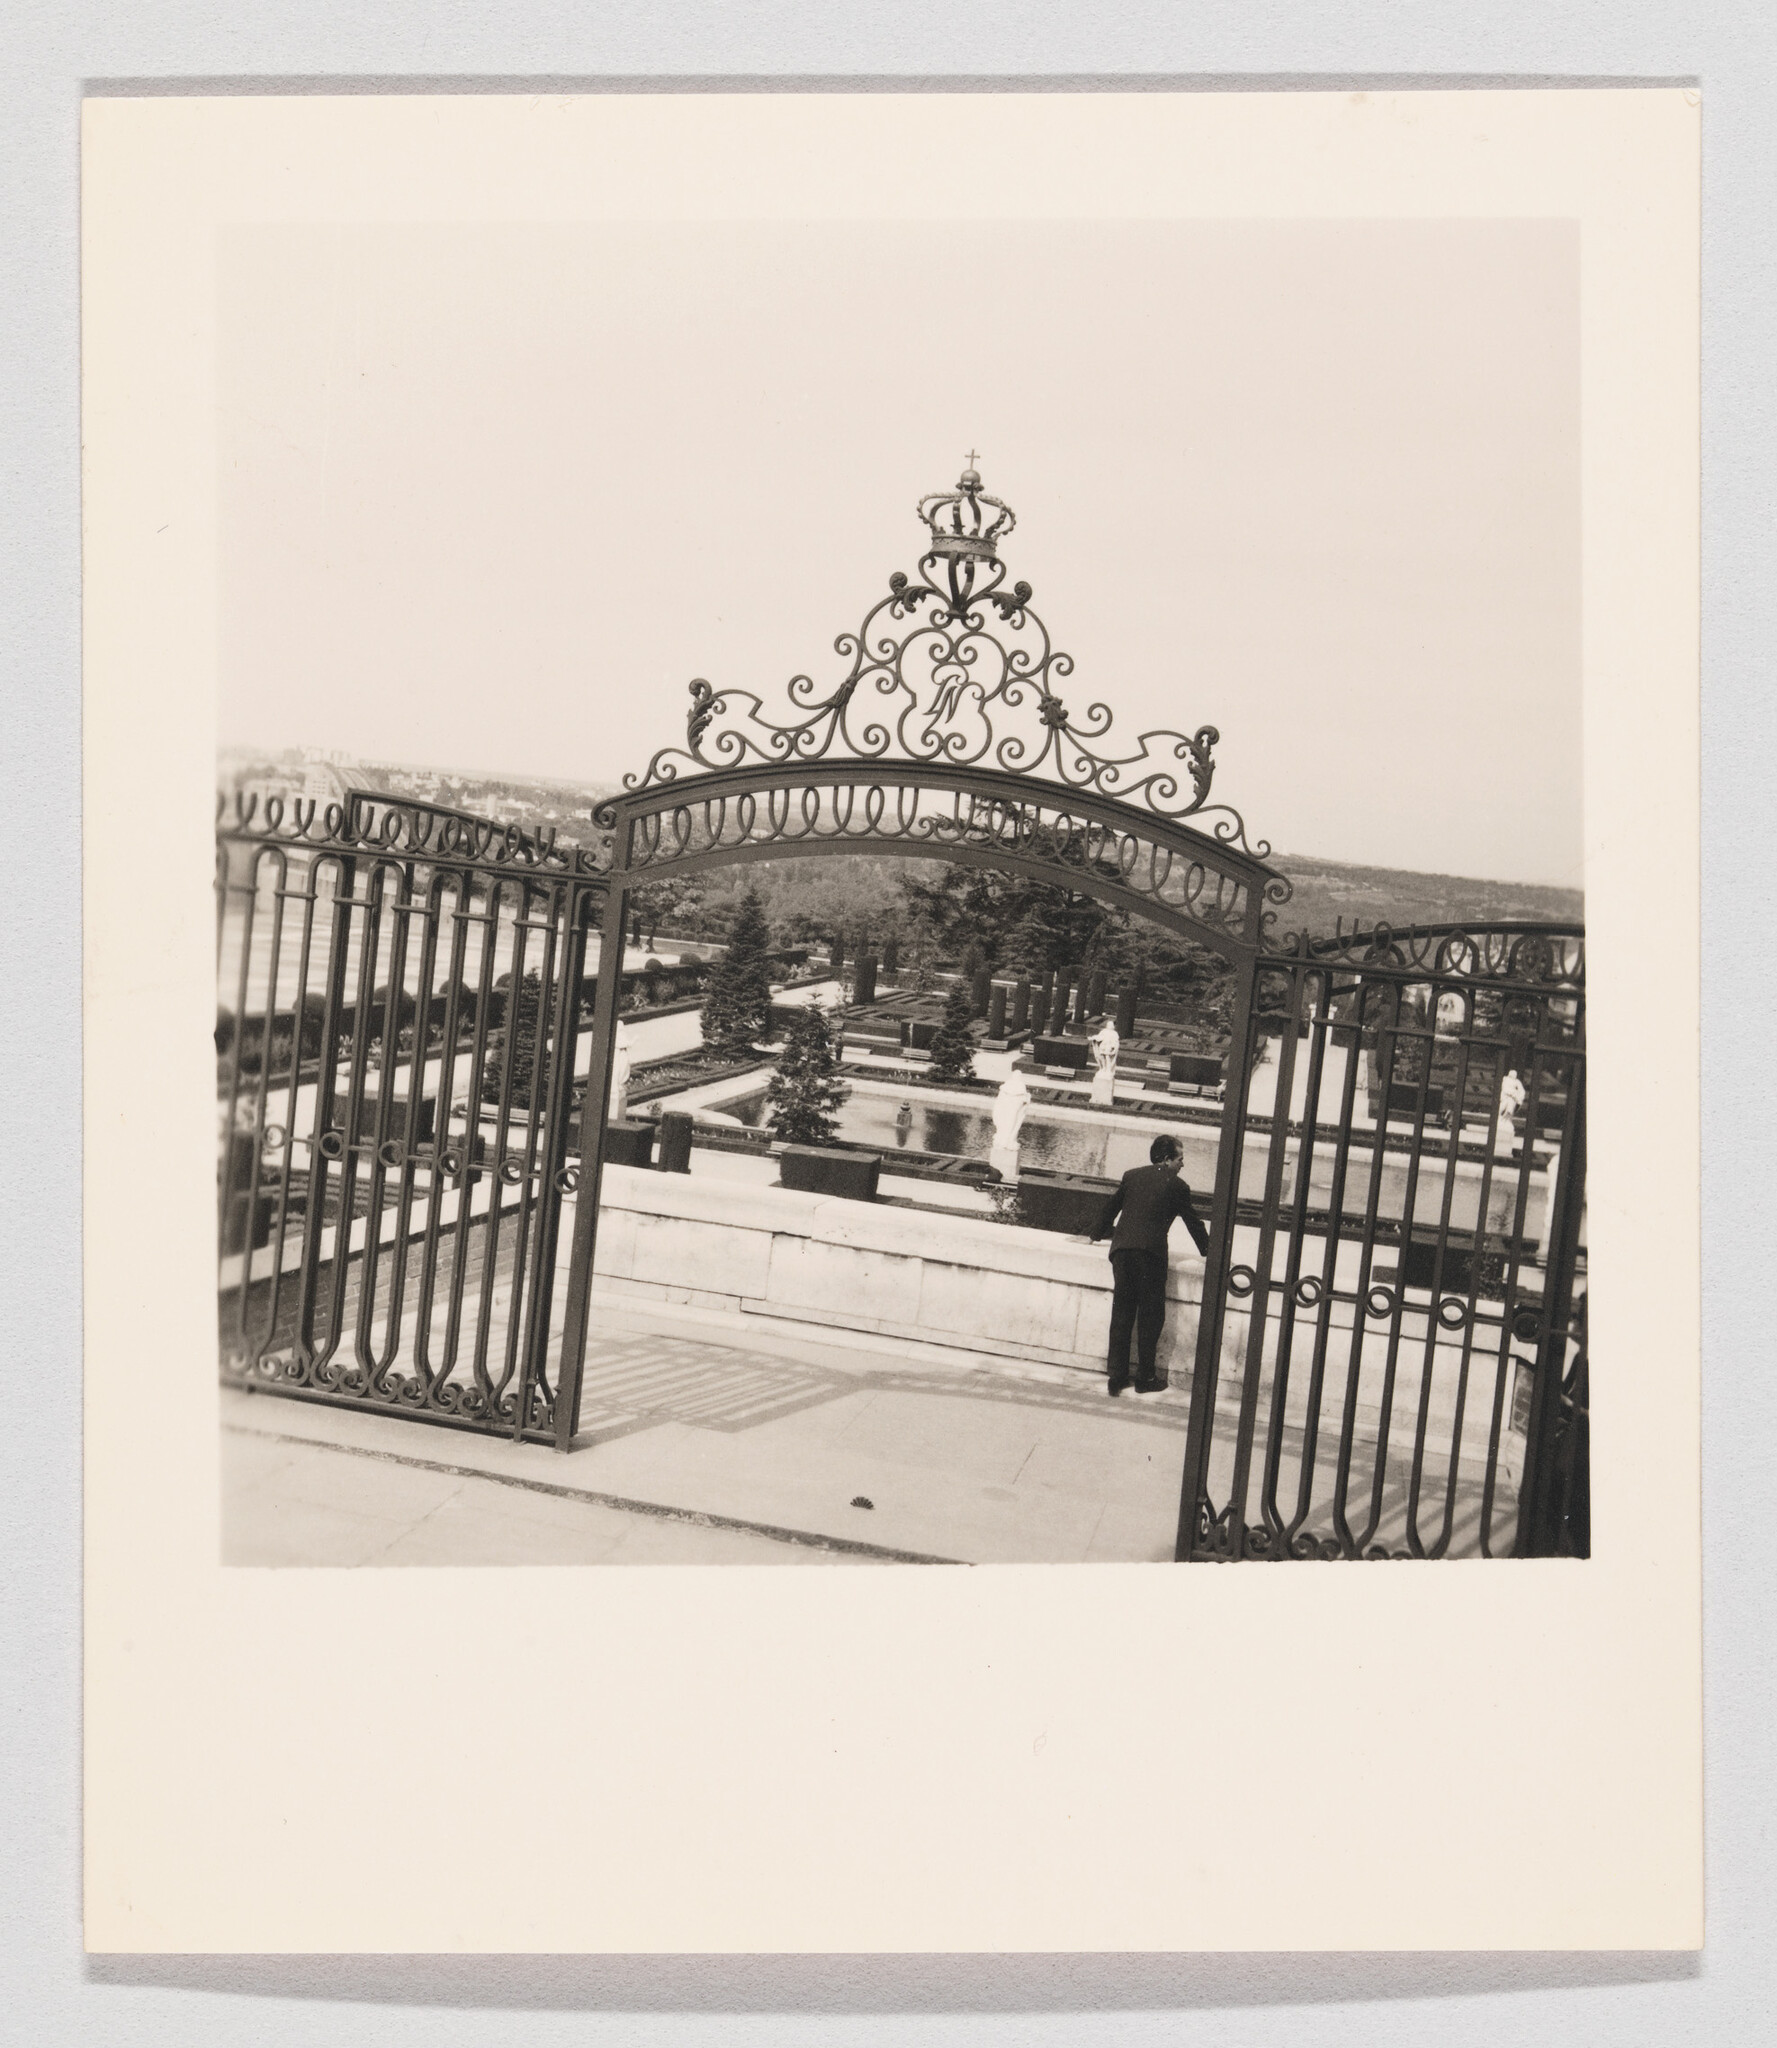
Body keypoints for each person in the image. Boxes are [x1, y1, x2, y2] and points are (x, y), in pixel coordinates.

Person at [1090, 1133, 1210, 1397]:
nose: (1183, 1164)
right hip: (1150, 1256)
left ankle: (1117, 1377)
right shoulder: (1177, 1186)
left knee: (1121, 1313)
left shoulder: (1131, 1175)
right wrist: (1211, 1252)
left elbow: (1111, 1208)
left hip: (1122, 1252)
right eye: (1180, 1158)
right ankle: (1145, 1378)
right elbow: (1194, 1223)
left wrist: (1095, 1234)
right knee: (1150, 1316)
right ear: (1167, 1160)